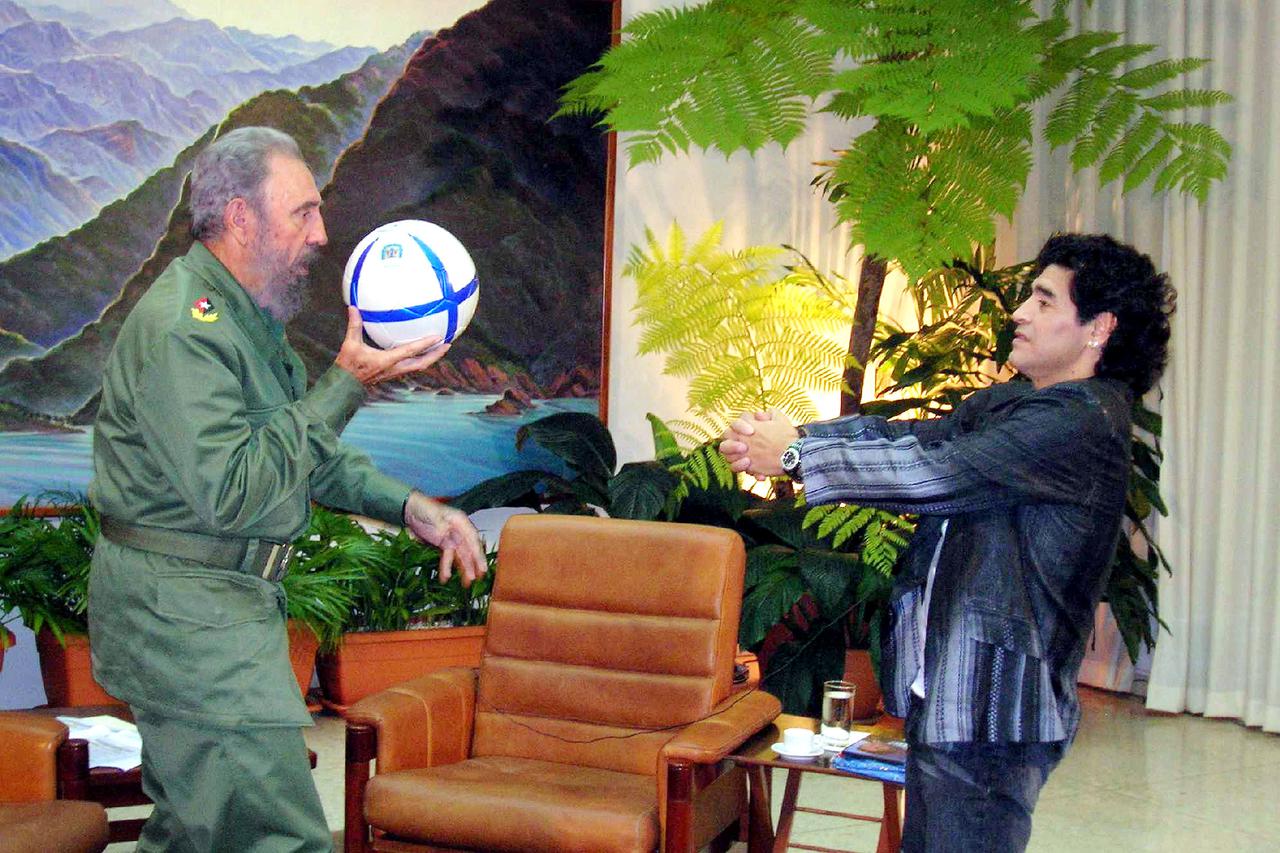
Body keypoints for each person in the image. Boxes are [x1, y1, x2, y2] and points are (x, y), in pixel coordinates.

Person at [87, 126, 487, 852]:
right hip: (190, 626)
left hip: (206, 614)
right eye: (303, 211)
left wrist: (409, 507)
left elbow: (301, 453)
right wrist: (345, 383)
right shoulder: (186, 330)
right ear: (241, 218)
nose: (321, 233)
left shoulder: (242, 320)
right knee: (281, 838)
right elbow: (234, 489)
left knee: (194, 835)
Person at [719, 233, 1175, 852]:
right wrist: (797, 436)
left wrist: (797, 456)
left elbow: (934, 474)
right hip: (958, 696)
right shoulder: (1021, 403)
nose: (1020, 313)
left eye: (1044, 300)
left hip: (995, 711)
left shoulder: (1080, 422)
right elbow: (913, 438)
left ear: (1099, 327)